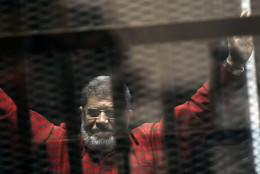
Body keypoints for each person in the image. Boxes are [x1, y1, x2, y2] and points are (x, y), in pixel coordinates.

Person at [0, 11, 253, 174]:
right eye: (94, 112)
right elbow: (10, 116)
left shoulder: (150, 142)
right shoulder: (59, 144)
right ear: (81, 114)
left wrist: (233, 65)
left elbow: (198, 112)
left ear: (128, 116)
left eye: (111, 113)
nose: (100, 120)